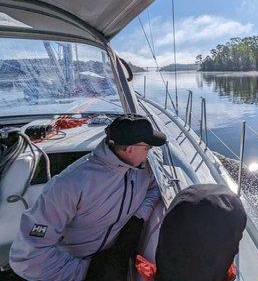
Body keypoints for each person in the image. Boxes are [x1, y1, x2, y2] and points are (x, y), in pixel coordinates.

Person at [9, 114, 166, 281]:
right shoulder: (70, 184)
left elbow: (154, 188)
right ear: (130, 149)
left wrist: (138, 217)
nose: (149, 153)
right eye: (148, 147)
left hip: (110, 257)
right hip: (73, 266)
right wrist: (87, 271)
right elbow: (27, 257)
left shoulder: (142, 169)